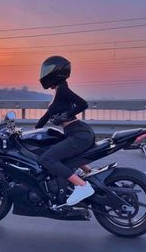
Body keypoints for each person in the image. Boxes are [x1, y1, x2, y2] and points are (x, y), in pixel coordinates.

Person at [35, 55, 95, 206]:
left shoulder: (63, 89)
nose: (44, 74)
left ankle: (82, 186)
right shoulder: (59, 92)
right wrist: (30, 131)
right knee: (62, 155)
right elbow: (47, 115)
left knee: (46, 159)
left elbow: (83, 104)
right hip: (74, 133)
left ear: (57, 71)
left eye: (47, 70)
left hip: (78, 134)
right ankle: (89, 174)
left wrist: (65, 116)